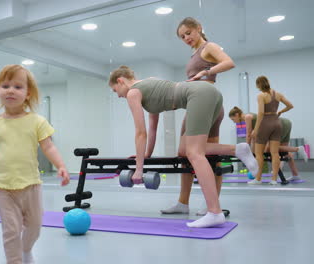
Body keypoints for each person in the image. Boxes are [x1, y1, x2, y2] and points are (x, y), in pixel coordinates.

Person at [109, 65, 258, 228]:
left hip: (199, 95)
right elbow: (152, 128)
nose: (118, 96)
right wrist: (146, 155)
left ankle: (215, 212)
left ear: (120, 81)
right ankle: (237, 149)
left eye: (115, 90)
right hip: (209, 94)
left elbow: (140, 133)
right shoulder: (147, 85)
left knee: (195, 153)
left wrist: (139, 169)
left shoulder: (133, 92)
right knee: (184, 150)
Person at [0, 64, 70, 263]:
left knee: (35, 227)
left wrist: (61, 166)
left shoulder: (37, 121)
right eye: (5, 85)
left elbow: (48, 147)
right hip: (3, 188)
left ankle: (26, 249)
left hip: (31, 186)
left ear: (28, 94)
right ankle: (15, 260)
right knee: (11, 230)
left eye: (18, 87)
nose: (11, 90)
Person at [158, 17, 236, 217]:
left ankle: (212, 204)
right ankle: (183, 203)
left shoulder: (208, 47)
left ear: (199, 28)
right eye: (182, 36)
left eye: (188, 33)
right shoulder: (195, 53)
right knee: (187, 154)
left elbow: (229, 62)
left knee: (201, 155)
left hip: (206, 104)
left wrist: (204, 72)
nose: (186, 38)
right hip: (200, 106)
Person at [229, 106, 307, 181]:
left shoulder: (247, 117)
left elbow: (249, 134)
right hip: (284, 123)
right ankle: (295, 174)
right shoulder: (250, 117)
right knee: (285, 153)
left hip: (280, 124)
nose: (234, 122)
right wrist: (252, 153)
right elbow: (254, 137)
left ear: (236, 115)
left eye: (233, 119)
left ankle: (297, 149)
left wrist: (246, 148)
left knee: (268, 149)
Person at [249, 76, 293, 185]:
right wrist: (281, 112)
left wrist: (255, 129)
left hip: (265, 124)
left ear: (258, 85)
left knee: (258, 153)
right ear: (268, 82)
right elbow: (290, 105)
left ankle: (258, 179)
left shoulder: (261, 95)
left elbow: (261, 113)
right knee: (275, 153)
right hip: (277, 123)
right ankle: (274, 180)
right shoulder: (278, 94)